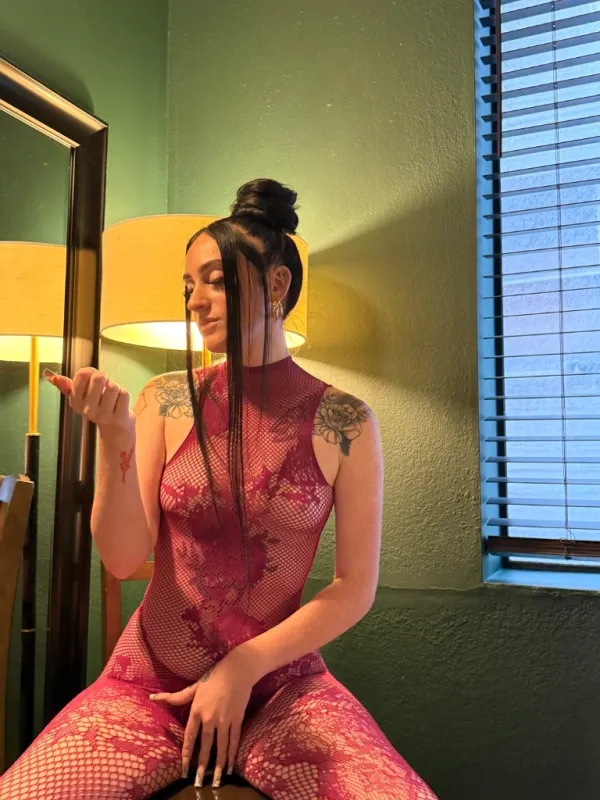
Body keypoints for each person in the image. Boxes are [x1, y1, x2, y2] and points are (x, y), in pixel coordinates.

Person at [0, 179, 437, 800]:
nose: (195, 302)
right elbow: (122, 558)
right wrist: (115, 437)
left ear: (277, 284)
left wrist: (244, 664)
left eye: (214, 281)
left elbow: (352, 588)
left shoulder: (345, 421)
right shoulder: (164, 401)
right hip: (148, 687)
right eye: (188, 287)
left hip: (282, 691)